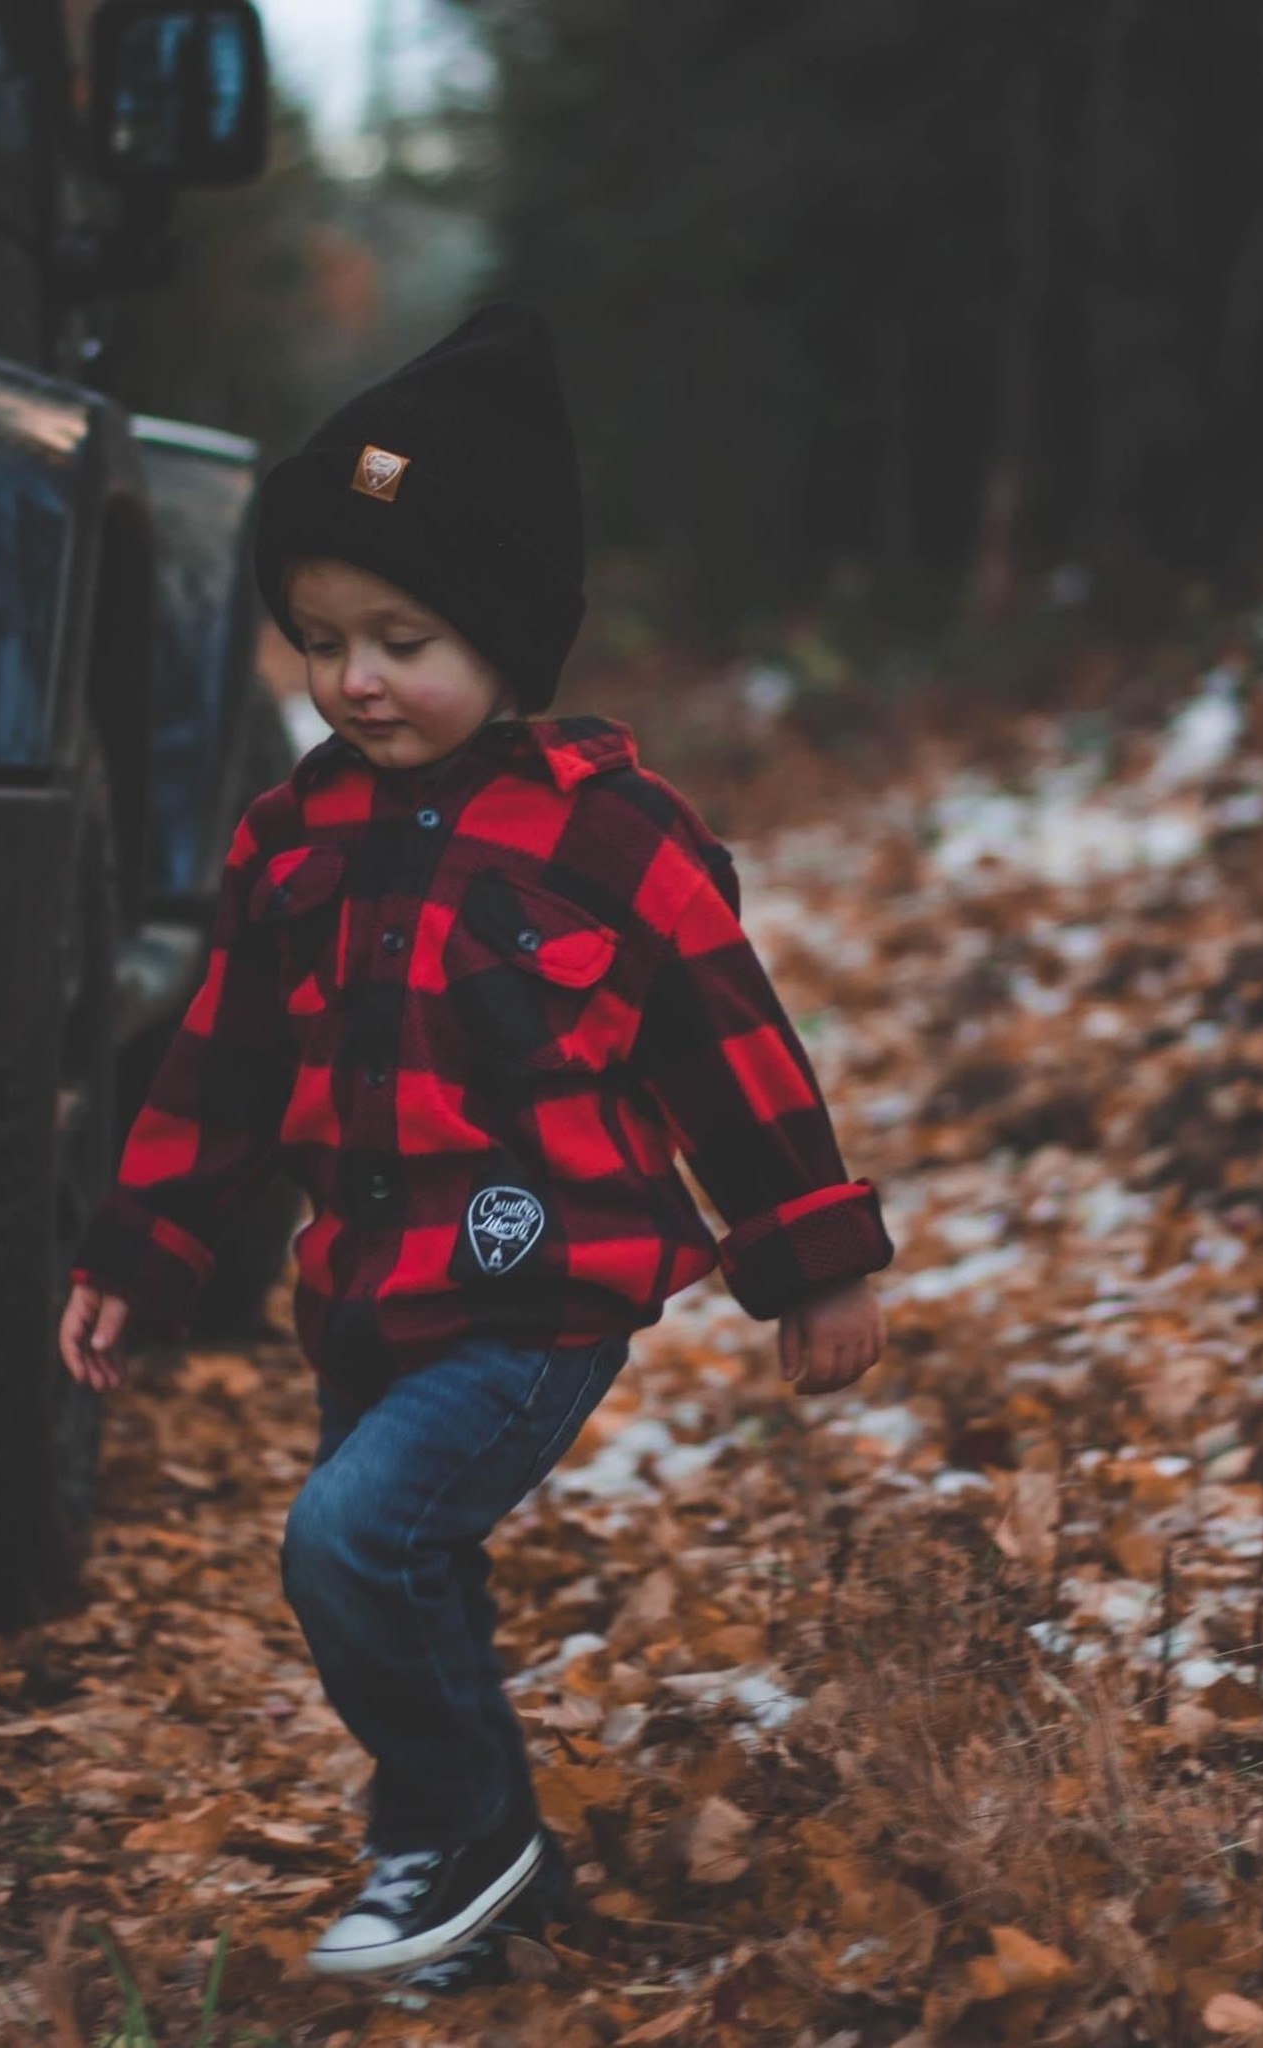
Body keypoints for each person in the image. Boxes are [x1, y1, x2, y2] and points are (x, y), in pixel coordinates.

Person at [58, 302, 894, 1991]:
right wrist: (138, 1247)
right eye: (318, 639)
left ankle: (458, 1834)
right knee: (405, 1565)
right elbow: (216, 1067)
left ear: (507, 639)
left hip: (541, 1289)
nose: (355, 680)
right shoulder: (292, 839)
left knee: (350, 1540)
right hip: (361, 1291)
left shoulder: (614, 838)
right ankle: (465, 1870)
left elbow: (740, 1063)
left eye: (403, 637)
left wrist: (813, 1262)